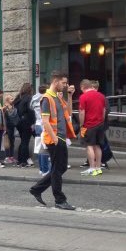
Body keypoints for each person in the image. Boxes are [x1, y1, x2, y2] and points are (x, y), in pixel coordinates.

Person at [29, 70, 77, 210]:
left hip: (60, 137)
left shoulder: (57, 97)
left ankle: (37, 189)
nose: (65, 85)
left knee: (60, 168)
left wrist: (69, 95)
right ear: (55, 82)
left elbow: (68, 112)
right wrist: (55, 138)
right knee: (57, 169)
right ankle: (59, 200)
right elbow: (45, 121)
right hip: (55, 138)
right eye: (63, 83)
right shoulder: (47, 98)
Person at [78, 79, 107, 177]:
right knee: (98, 146)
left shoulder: (83, 96)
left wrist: (81, 125)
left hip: (89, 125)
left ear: (83, 87)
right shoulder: (101, 96)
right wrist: (101, 121)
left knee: (89, 146)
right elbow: (104, 111)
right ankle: (98, 168)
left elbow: (82, 112)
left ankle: (92, 168)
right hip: (100, 124)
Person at [14, 83, 35, 168]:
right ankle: (24, 161)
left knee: (23, 141)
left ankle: (20, 160)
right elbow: (31, 111)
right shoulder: (29, 98)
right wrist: (33, 122)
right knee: (25, 142)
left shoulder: (18, 98)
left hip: (19, 122)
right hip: (27, 122)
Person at [32, 85, 50, 175]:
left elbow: (31, 108)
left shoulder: (34, 98)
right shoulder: (45, 98)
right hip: (43, 124)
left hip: (37, 124)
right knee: (45, 148)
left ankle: (41, 168)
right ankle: (45, 170)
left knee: (39, 147)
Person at [3, 94, 18, 164]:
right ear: (7, 100)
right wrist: (4, 127)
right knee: (7, 142)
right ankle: (7, 157)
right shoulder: (5, 108)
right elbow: (5, 118)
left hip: (12, 126)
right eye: (11, 99)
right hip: (7, 126)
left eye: (13, 98)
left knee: (12, 141)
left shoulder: (13, 107)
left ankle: (11, 156)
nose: (12, 100)